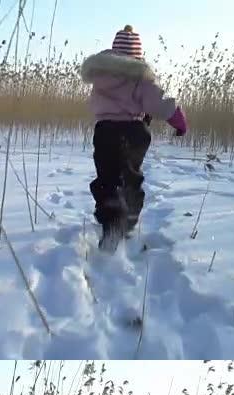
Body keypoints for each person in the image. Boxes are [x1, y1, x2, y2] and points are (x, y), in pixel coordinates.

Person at [79, 25, 189, 246]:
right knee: (131, 177)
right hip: (133, 132)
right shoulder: (140, 77)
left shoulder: (100, 76)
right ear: (137, 55)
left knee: (107, 177)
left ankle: (110, 223)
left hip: (104, 131)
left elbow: (95, 104)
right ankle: (127, 222)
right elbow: (158, 103)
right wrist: (179, 121)